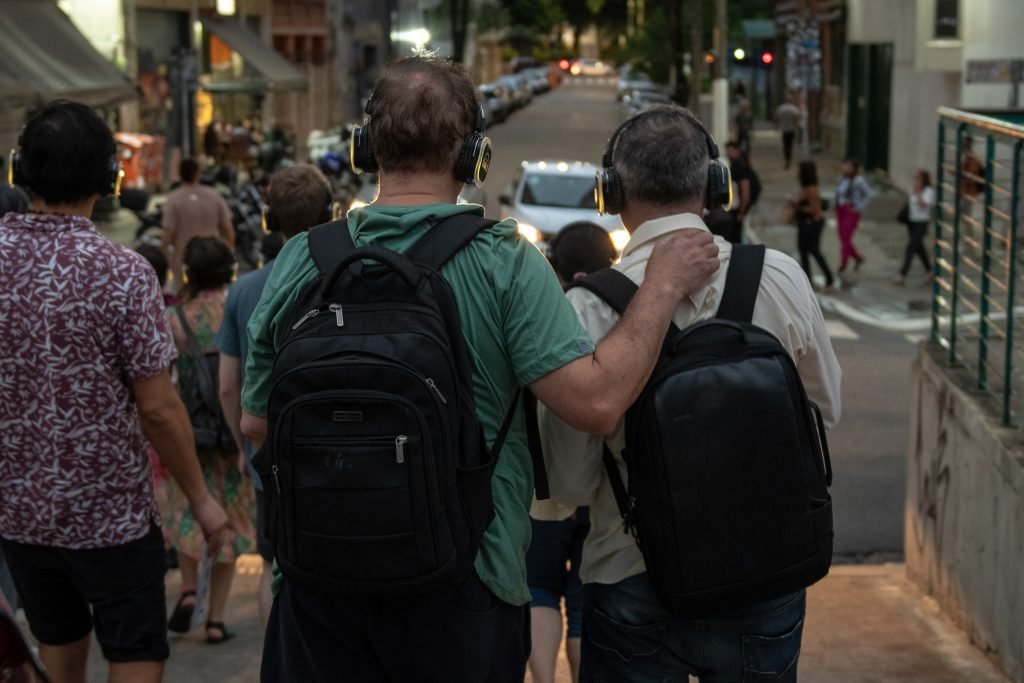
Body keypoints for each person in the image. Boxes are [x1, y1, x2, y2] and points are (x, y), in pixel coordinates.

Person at [240, 55, 720, 682]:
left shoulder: (304, 258)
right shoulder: (505, 263)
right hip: (466, 580)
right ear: (474, 156)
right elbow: (597, 403)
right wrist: (659, 286)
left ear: (364, 148)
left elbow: (255, 422)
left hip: (318, 584)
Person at [538, 104, 842, 683]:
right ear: (714, 185)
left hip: (632, 577)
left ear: (609, 192)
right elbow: (826, 407)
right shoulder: (778, 275)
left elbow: (572, 482)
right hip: (767, 570)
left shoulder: (585, 308)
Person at [0, 100, 228, 683]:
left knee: (58, 643)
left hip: (20, 514)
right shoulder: (123, 273)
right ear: (111, 180)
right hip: (112, 519)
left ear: (17, 171)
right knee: (133, 652)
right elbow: (157, 408)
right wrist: (201, 500)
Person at [216, 163, 332, 627]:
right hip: (333, 451)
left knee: (272, 565)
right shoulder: (347, 272)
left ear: (269, 220)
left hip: (269, 453)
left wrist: (245, 447)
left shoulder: (244, 290)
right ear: (331, 213)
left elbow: (228, 385)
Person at [527, 222, 615, 683]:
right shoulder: (626, 312)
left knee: (538, 587)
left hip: (542, 493)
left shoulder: (545, 313)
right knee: (583, 597)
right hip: (605, 491)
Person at [165, 236, 255, 645]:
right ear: (229, 270)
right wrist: (243, 442)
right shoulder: (234, 309)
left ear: (189, 273)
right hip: (230, 430)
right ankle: (216, 618)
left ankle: (187, 588)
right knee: (233, 519)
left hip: (190, 431)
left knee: (188, 507)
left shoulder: (176, 318)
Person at [161, 157, 235, 290]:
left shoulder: (173, 199)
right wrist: (226, 253)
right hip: (213, 260)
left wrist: (165, 260)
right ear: (197, 172)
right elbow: (228, 230)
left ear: (180, 174)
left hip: (185, 262)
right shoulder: (214, 196)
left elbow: (167, 235)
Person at [787, 160, 834, 290]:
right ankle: (807, 281)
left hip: (813, 224)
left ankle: (829, 279)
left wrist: (796, 205)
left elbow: (814, 209)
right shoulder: (805, 188)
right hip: (805, 223)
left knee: (814, 251)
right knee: (803, 252)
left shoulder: (812, 189)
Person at [894, 169, 934, 285]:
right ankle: (929, 271)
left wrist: (918, 193)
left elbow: (922, 205)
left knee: (911, 247)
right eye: (915, 178)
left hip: (922, 222)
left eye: (918, 178)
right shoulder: (912, 190)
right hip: (912, 222)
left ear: (924, 180)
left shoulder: (928, 191)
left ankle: (902, 274)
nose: (916, 181)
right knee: (919, 248)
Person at [835, 158, 875, 275]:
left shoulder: (859, 181)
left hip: (851, 210)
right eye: (845, 165)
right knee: (842, 237)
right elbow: (838, 193)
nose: (846, 168)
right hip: (840, 210)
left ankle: (843, 263)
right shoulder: (842, 179)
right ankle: (857, 258)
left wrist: (858, 207)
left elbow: (869, 194)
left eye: (849, 166)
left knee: (846, 237)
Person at [723, 140, 761, 244]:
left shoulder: (740, 167)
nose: (728, 154)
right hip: (738, 208)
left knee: (741, 236)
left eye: (730, 151)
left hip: (740, 209)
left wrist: (742, 212)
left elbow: (745, 191)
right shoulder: (737, 165)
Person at [775, 97, 800, 169]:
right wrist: (796, 126)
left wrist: (776, 125)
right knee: (790, 145)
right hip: (792, 129)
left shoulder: (781, 108)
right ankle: (789, 159)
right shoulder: (794, 109)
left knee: (785, 144)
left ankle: (787, 159)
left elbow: (776, 116)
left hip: (784, 129)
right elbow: (797, 118)